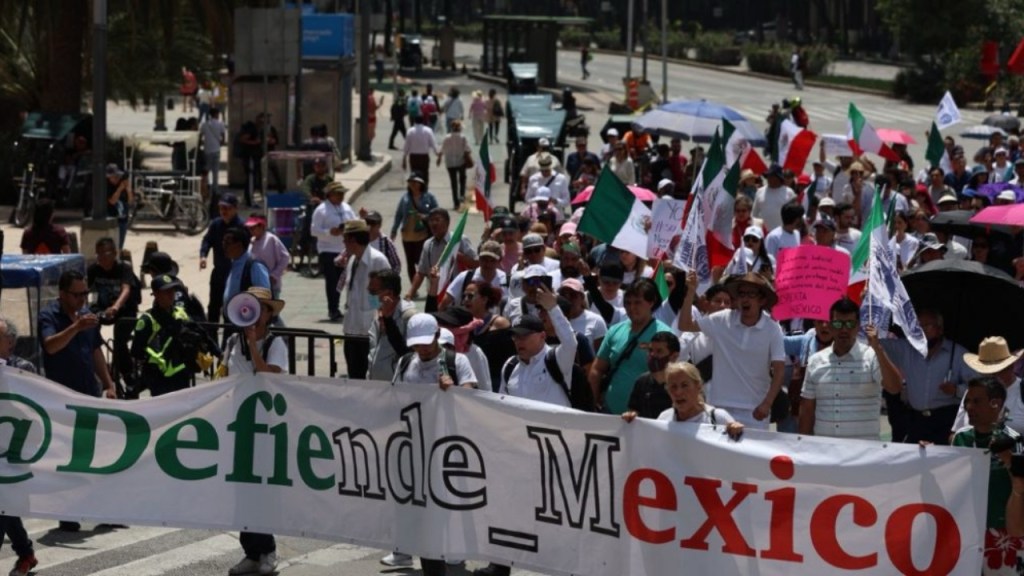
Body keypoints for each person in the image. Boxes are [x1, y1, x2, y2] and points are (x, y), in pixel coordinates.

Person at [222, 287, 287, 576]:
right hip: (239, 424)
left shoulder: (275, 343)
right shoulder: (232, 341)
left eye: (262, 308)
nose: (255, 313)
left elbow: (268, 375)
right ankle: (250, 552)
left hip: (266, 426)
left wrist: (252, 345)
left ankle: (267, 550)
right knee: (242, 491)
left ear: (269, 314)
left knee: (262, 491)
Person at [679, 271, 785, 430]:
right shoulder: (721, 319)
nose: (745, 299)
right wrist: (690, 293)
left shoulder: (773, 329)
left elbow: (779, 370)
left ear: (762, 300)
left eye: (751, 294)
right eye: (741, 294)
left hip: (755, 411)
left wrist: (767, 404)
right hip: (720, 408)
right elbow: (685, 325)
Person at [798, 298, 901, 440]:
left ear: (858, 326)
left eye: (850, 324)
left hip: (864, 451)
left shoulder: (872, 357)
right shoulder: (815, 361)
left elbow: (895, 388)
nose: (844, 329)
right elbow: (807, 409)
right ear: (830, 325)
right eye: (838, 324)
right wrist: (802, 444)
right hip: (826, 450)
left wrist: (878, 348)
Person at [952, 376, 1023, 574]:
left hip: (1002, 534)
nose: (969, 407)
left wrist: (1008, 459)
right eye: (967, 401)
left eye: (976, 401)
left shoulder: (1014, 441)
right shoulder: (961, 438)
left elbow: (1019, 486)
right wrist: (926, 456)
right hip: (967, 530)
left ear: (995, 403)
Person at [880, 309, 976, 444]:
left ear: (940, 329)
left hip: (946, 420)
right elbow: (879, 346)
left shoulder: (958, 354)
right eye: (918, 327)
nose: (922, 331)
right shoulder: (907, 349)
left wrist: (957, 390)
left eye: (927, 326)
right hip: (916, 420)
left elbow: (977, 387)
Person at [589, 278, 674, 414]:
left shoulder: (666, 335)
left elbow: (672, 377)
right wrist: (592, 404)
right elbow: (597, 369)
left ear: (651, 302)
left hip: (648, 417)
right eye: (628, 303)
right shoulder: (614, 331)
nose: (631, 308)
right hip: (609, 412)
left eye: (637, 302)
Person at [0, 317, 40, 576]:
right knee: (7, 506)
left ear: (10, 342)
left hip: (14, 451)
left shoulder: (22, 370)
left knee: (3, 505)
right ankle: (26, 554)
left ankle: (26, 554)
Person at [339, 219, 391, 379]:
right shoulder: (353, 260)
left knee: (370, 378)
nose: (343, 243)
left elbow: (387, 294)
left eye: (345, 239)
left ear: (353, 240)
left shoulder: (378, 261)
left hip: (369, 331)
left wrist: (380, 313)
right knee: (354, 376)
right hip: (351, 329)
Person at [130, 274, 196, 396]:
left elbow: (198, 333)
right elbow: (136, 351)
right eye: (166, 292)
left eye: (172, 290)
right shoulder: (147, 320)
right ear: (156, 295)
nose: (171, 295)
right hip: (159, 377)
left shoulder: (180, 313)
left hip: (181, 372)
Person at [644, 362, 745, 441]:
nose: (678, 392)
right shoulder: (664, 419)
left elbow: (737, 452)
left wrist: (737, 432)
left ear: (698, 386)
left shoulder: (718, 418)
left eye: (684, 385)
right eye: (673, 387)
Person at [951, 336, 1024, 436]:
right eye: (986, 372)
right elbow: (956, 433)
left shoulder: (1021, 391)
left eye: (998, 371)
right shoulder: (972, 393)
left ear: (1011, 367)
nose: (992, 376)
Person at [405, 208, 479, 301]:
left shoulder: (459, 240)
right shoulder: (428, 244)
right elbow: (421, 273)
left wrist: (457, 255)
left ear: (447, 222)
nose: (433, 223)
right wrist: (410, 293)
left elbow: (476, 264)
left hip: (457, 295)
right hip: (435, 294)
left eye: (437, 220)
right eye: (431, 220)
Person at [312, 182, 356, 321]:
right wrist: (329, 232)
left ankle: (349, 307)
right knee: (333, 281)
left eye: (342, 193)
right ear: (330, 195)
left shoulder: (347, 207)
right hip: (328, 250)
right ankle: (333, 309)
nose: (341, 196)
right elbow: (314, 230)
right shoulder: (321, 210)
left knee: (348, 280)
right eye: (338, 194)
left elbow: (355, 222)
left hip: (346, 250)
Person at [200, 193, 244, 322]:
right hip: (218, 271)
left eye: (227, 208)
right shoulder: (216, 224)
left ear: (235, 209)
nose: (224, 211)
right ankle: (211, 333)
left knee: (231, 307)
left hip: (235, 273)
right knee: (214, 305)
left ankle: (229, 333)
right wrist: (203, 255)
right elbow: (207, 240)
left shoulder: (241, 227)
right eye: (221, 208)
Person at [368, 270, 417, 381]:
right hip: (374, 384)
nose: (370, 295)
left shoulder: (409, 317)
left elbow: (410, 355)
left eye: (373, 292)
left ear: (389, 294)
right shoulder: (377, 315)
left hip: (397, 385)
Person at [619, 331, 679, 420]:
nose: (652, 355)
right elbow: (634, 410)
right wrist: (631, 416)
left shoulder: (683, 382)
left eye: (659, 351)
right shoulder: (642, 381)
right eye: (650, 350)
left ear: (674, 356)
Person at [390, 173, 439, 283]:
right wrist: (394, 230)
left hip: (423, 234)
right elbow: (399, 214)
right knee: (410, 261)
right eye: (410, 182)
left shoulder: (429, 197)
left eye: (415, 182)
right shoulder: (405, 198)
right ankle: (414, 286)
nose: (412, 184)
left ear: (421, 183)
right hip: (407, 235)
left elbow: (437, 212)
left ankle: (430, 282)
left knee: (422, 260)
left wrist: (425, 216)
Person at [440, 240, 507, 310]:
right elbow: (444, 303)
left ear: (500, 261)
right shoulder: (465, 277)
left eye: (492, 260)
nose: (488, 264)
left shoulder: (505, 280)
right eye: (484, 259)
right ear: (479, 259)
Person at [237, 112, 281, 207]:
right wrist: (255, 142)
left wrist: (268, 140)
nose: (266, 121)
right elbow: (243, 139)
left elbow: (275, 141)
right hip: (252, 156)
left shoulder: (270, 129)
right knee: (252, 177)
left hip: (264, 156)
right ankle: (250, 200)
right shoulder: (252, 128)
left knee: (265, 175)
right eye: (264, 118)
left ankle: (254, 197)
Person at [245, 214, 290, 298]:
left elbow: (285, 257)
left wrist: (274, 275)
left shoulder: (271, 239)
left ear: (262, 226)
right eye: (249, 228)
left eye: (253, 228)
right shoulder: (251, 242)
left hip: (271, 286)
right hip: (254, 287)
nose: (250, 230)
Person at [437, 119, 471, 209]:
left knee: (453, 182)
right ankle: (462, 195)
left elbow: (441, 149)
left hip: (450, 163)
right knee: (462, 179)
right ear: (460, 128)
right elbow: (467, 149)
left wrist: (439, 159)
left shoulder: (447, 137)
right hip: (461, 162)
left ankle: (456, 203)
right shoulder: (463, 137)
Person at [753, 164, 797, 231]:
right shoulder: (760, 191)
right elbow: (754, 214)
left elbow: (795, 215)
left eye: (772, 176)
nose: (769, 178)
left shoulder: (789, 193)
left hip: (782, 233)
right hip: (763, 232)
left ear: (779, 178)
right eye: (768, 176)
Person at [402, 115, 438, 187]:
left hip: (414, 157)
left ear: (414, 121)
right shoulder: (428, 130)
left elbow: (406, 146)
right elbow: (433, 144)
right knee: (425, 174)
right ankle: (425, 189)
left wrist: (404, 159)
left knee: (414, 174)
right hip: (424, 156)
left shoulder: (410, 131)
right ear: (423, 121)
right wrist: (437, 154)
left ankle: (415, 190)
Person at [104, 163, 133, 248]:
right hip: (112, 219)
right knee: (111, 245)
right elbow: (112, 201)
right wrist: (120, 189)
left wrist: (128, 189)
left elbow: (130, 201)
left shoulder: (122, 184)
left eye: (117, 176)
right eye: (114, 176)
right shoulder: (107, 186)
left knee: (120, 245)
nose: (117, 178)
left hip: (123, 219)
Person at [201, 107, 227, 197]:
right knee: (215, 172)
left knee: (206, 171)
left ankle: (206, 187)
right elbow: (223, 136)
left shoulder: (205, 124)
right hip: (216, 150)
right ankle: (215, 190)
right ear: (216, 114)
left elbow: (201, 135)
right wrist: (222, 143)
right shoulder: (220, 124)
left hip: (207, 150)